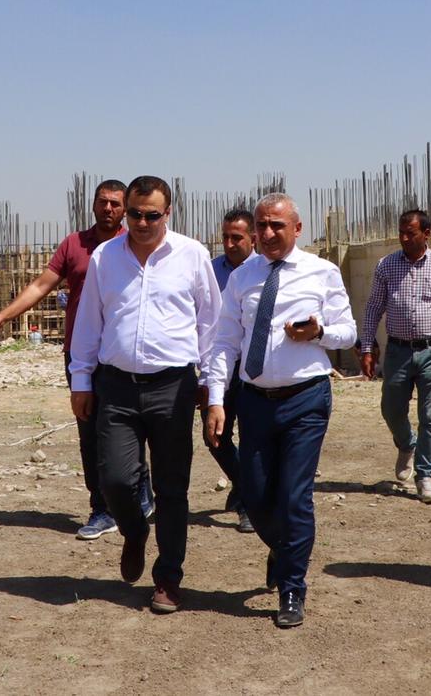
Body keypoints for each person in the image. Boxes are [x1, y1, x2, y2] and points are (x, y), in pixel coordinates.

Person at [69, 175, 221, 614]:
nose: (140, 222)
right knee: (115, 479)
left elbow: (210, 328)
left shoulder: (191, 256)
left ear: (167, 213)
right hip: (115, 386)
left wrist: (213, 390)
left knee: (172, 489)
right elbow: (89, 324)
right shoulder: (104, 257)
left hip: (173, 387)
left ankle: (168, 579)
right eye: (134, 213)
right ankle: (134, 530)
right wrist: (81, 380)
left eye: (151, 215)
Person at [205, 193, 357, 628]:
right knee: (254, 494)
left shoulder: (321, 273)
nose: (268, 234)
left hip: (306, 398)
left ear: (297, 228)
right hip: (254, 401)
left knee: (294, 497)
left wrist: (319, 331)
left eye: (277, 226)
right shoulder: (241, 278)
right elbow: (225, 342)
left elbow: (348, 332)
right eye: (262, 226)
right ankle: (283, 547)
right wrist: (216, 399)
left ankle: (293, 587)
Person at [0, 179, 148, 540]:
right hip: (81, 352)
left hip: (122, 352)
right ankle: (101, 508)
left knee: (131, 428)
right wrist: (2, 318)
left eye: (116, 203)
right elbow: (41, 285)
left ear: (126, 208)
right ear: (93, 205)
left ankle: (139, 492)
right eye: (104, 202)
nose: (109, 209)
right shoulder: (74, 244)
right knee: (89, 429)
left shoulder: (135, 245)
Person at [359, 208, 431, 504]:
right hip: (397, 351)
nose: (404, 238)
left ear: (426, 234)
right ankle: (407, 444)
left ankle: (426, 476)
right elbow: (373, 308)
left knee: (429, 415)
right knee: (391, 408)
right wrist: (367, 347)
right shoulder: (386, 265)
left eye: (411, 233)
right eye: (401, 233)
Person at [207, 207, 256, 532]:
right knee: (215, 437)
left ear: (252, 238)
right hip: (219, 365)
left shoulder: (265, 271)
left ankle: (250, 507)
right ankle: (244, 486)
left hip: (253, 370)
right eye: (225, 237)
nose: (229, 243)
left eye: (236, 237)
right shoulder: (211, 271)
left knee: (253, 441)